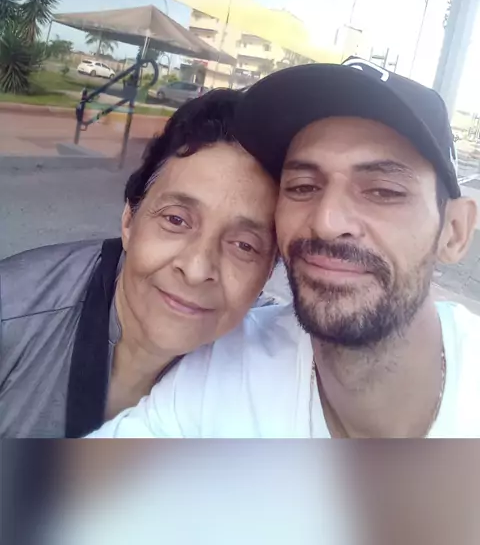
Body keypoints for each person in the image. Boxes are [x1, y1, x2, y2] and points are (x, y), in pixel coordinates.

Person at [90, 58, 480, 439]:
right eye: (303, 187)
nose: (326, 221)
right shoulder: (222, 372)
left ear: (455, 232)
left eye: (383, 191)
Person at [0, 89, 277, 438]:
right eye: (176, 220)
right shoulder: (13, 314)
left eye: (244, 245)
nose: (196, 270)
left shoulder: (270, 376)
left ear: (268, 273)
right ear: (130, 220)